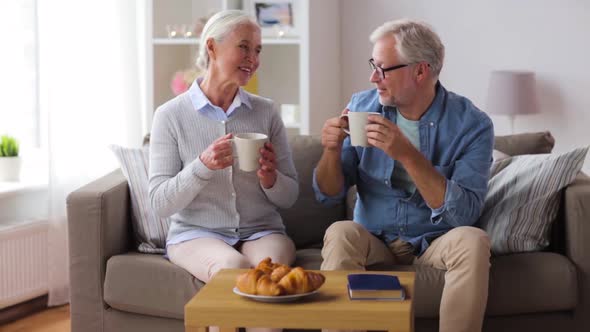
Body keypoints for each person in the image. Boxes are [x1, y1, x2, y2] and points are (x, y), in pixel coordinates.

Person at [314, 19, 494, 332]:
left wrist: (407, 155)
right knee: (341, 232)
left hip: (436, 243)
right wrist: (330, 151)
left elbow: (464, 213)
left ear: (420, 71)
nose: (373, 78)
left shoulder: (472, 125)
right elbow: (329, 193)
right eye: (373, 65)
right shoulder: (362, 107)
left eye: (383, 68)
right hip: (375, 240)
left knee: (473, 240)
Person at [149, 9, 298, 292]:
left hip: (262, 231)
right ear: (212, 47)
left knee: (273, 269)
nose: (253, 59)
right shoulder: (170, 115)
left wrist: (271, 180)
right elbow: (160, 203)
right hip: (195, 235)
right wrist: (202, 166)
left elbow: (289, 196)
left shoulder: (265, 111)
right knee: (232, 268)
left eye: (257, 50)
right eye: (243, 47)